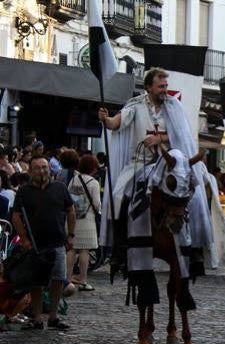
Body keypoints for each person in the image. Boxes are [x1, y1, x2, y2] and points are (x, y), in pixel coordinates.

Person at [98, 67, 214, 301]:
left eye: (165, 86)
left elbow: (181, 135)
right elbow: (117, 123)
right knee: (119, 195)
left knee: (194, 189)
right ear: (149, 86)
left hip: (170, 162)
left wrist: (160, 138)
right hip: (140, 162)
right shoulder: (135, 106)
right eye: (160, 86)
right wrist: (106, 119)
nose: (164, 90)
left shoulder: (174, 106)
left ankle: (194, 248)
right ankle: (121, 247)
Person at [12, 156, 76, 330]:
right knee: (37, 282)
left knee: (57, 280)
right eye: (38, 168)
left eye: (45, 167)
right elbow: (16, 216)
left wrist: (71, 235)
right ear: (31, 171)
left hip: (57, 242)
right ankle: (38, 318)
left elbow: (71, 211)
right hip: (35, 245)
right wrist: (24, 239)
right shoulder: (24, 191)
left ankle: (54, 317)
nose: (42, 171)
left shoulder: (60, 188)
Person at [65, 155, 101, 292]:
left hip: (72, 219)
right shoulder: (94, 183)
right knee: (85, 250)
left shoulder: (74, 179)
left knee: (71, 249)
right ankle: (82, 280)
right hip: (87, 219)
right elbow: (97, 205)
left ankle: (67, 279)